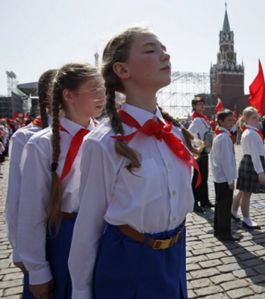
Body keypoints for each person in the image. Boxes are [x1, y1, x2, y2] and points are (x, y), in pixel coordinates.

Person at [68, 27, 201, 299]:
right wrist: (81, 290)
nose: (166, 55)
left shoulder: (174, 133)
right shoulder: (104, 142)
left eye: (164, 49)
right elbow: (89, 225)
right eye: (151, 50)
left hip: (174, 255)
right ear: (123, 70)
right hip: (128, 261)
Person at [17, 63, 104, 299]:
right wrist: (37, 270)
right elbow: (31, 211)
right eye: (95, 89)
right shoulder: (41, 144)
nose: (103, 96)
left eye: (104, 90)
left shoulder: (107, 139)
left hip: (104, 238)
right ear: (69, 95)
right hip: (62, 236)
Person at [5, 69, 57, 287]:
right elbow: (17, 198)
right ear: (49, 94)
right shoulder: (26, 136)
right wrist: (18, 250)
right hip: (44, 231)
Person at [231, 107, 265, 230]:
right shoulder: (250, 133)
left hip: (250, 162)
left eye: (257, 117)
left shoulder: (252, 131)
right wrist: (260, 171)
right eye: (254, 118)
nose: (257, 120)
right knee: (246, 193)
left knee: (242, 191)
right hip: (251, 163)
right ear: (246, 119)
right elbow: (254, 154)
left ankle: (233, 211)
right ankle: (247, 220)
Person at [211, 109, 240, 241]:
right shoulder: (223, 137)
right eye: (229, 120)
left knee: (220, 205)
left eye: (232, 119)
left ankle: (218, 230)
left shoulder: (220, 135)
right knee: (224, 206)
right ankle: (224, 233)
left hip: (219, 176)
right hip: (224, 177)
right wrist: (230, 180)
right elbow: (226, 161)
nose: (232, 122)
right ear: (221, 121)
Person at [188, 96, 213, 212]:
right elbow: (190, 134)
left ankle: (204, 200)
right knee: (198, 176)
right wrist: (202, 143)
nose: (202, 106)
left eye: (203, 104)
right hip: (200, 150)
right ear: (194, 106)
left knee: (204, 175)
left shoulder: (202, 118)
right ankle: (194, 202)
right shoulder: (197, 120)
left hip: (204, 150)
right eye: (199, 104)